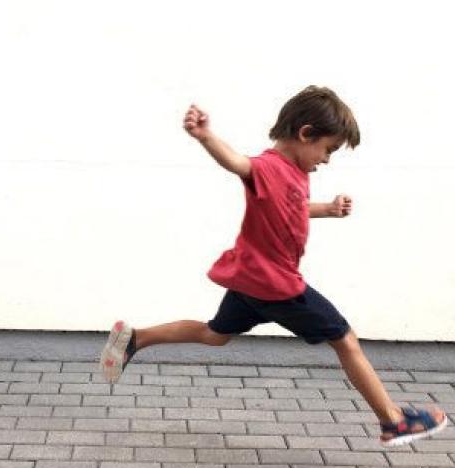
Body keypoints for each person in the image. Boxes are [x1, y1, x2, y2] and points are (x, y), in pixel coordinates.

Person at [100, 86, 447, 447]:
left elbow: (290, 208)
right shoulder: (268, 167)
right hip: (278, 287)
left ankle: (136, 339)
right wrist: (205, 137)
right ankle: (393, 421)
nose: (327, 159)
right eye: (328, 149)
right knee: (346, 341)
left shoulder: (295, 173)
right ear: (306, 133)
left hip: (249, 283)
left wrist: (327, 209)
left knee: (214, 334)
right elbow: (238, 163)